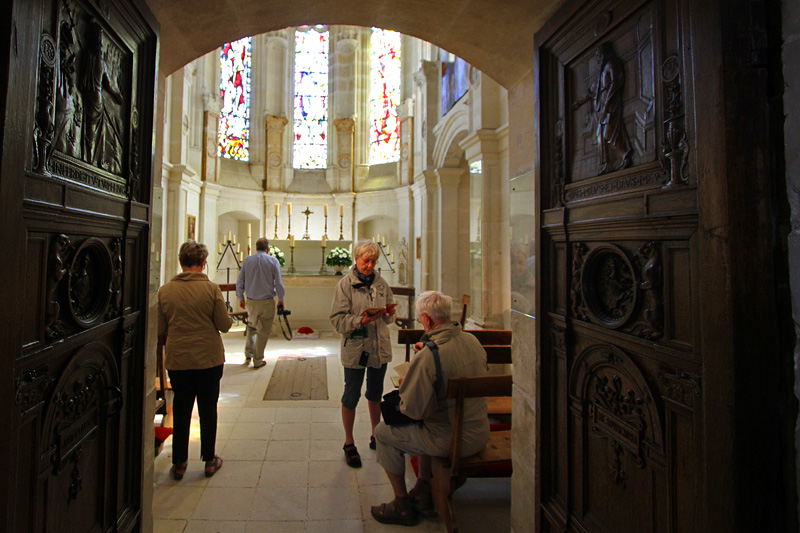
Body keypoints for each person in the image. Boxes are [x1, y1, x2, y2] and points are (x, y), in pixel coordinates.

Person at [370, 291, 489, 526]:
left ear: (426, 319)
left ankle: (402, 505)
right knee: (428, 420)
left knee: (383, 432)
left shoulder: (430, 355)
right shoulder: (472, 341)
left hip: (451, 440)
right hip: (480, 432)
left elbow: (413, 410)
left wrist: (409, 384)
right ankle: (424, 489)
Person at [157, 240, 232, 480]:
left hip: (178, 359)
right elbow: (225, 324)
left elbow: (160, 328)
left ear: (181, 262)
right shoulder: (211, 289)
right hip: (208, 358)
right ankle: (209, 461)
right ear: (203, 263)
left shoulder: (165, 290)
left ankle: (179, 463)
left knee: (180, 407)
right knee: (208, 408)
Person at [330, 240, 396, 468]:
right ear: (356, 259)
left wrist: (388, 313)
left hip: (378, 347)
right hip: (356, 348)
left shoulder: (382, 283)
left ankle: (375, 435)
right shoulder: (345, 285)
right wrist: (361, 320)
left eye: (373, 261)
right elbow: (337, 320)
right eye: (366, 261)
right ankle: (349, 442)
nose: (370, 265)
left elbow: (388, 318)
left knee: (375, 394)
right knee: (351, 395)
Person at [573, 41, 633, 174]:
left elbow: (616, 82)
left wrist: (607, 102)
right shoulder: (601, 73)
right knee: (600, 136)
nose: (598, 57)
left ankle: (625, 154)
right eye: (597, 55)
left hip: (610, 105)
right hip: (601, 108)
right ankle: (608, 163)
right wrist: (578, 102)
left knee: (609, 133)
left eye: (599, 54)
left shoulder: (612, 64)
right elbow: (591, 91)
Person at [236, 237, 286, 368]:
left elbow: (240, 281)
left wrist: (240, 297)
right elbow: (279, 283)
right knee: (263, 331)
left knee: (252, 327)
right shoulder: (273, 261)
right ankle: (258, 360)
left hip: (251, 301)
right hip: (266, 302)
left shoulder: (248, 260)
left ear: (256, 248)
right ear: (268, 249)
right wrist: (281, 300)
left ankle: (249, 353)